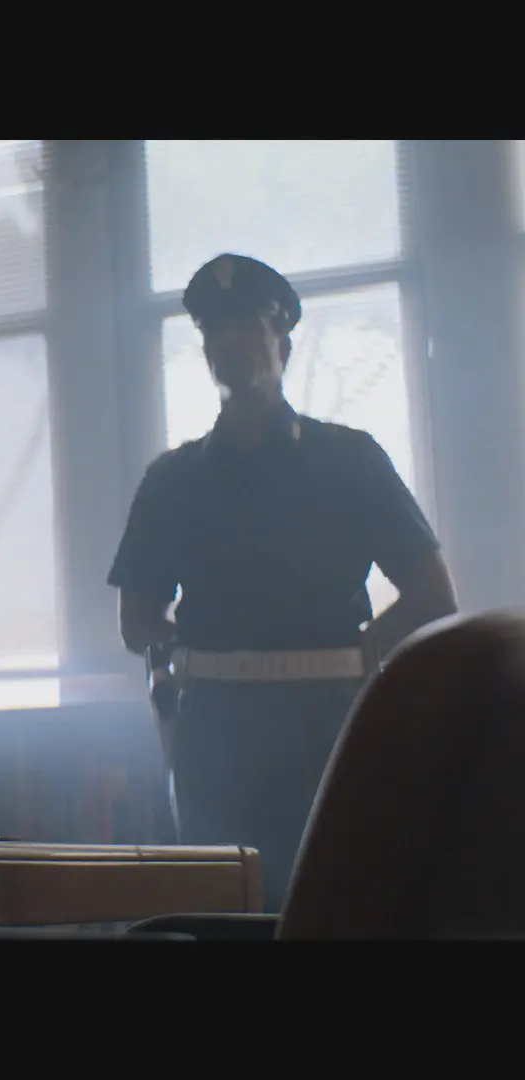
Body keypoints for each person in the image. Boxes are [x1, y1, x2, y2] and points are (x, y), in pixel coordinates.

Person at [107, 252, 459, 912]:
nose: (229, 342)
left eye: (247, 325)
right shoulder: (172, 481)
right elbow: (136, 622)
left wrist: (356, 658)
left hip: (329, 724)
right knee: (225, 907)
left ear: (284, 343)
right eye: (215, 330)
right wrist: (199, 659)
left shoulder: (349, 461)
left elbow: (432, 594)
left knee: (338, 898)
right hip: (217, 732)